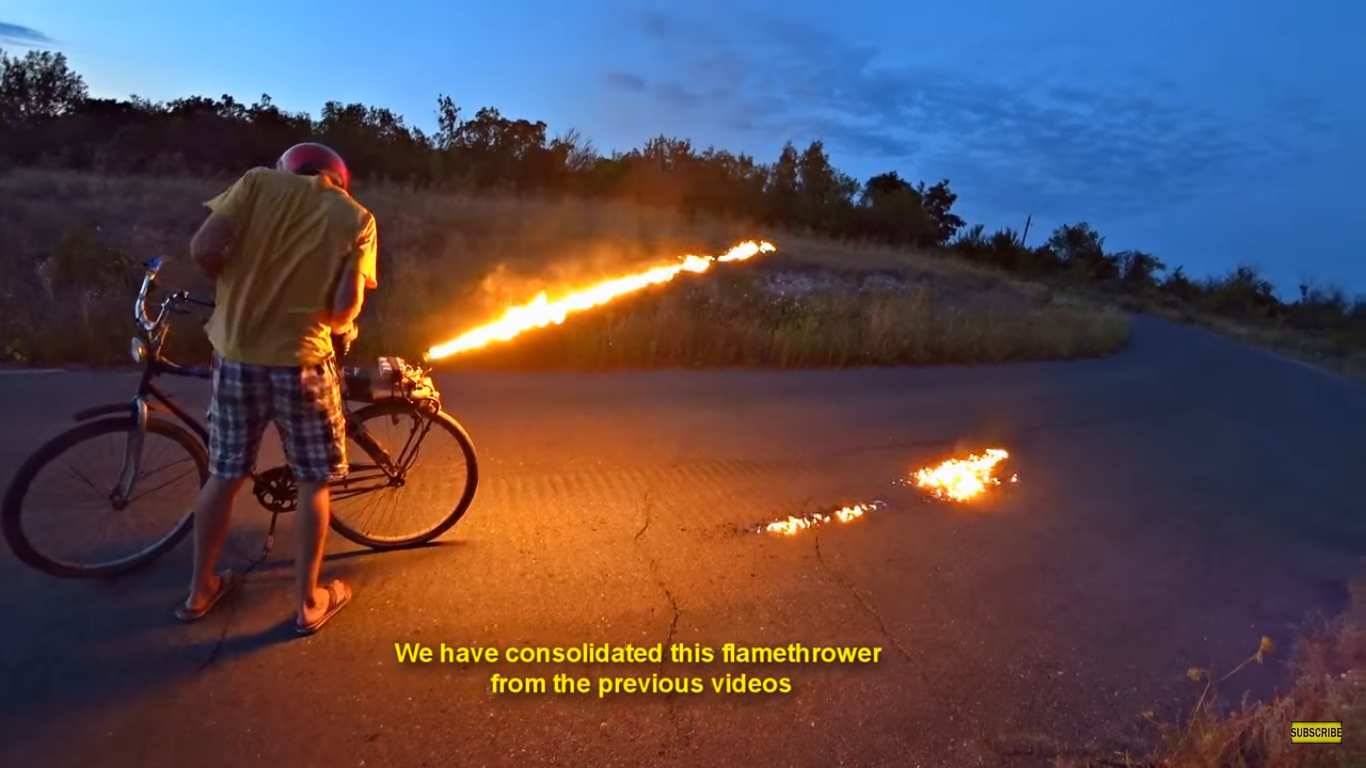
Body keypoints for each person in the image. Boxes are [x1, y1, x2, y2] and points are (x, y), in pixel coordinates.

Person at [173, 141, 379, 635]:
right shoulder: (358, 219)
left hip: (237, 354)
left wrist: (238, 284)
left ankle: (199, 592)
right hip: (302, 362)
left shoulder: (256, 183)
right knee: (314, 480)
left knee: (223, 473)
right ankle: (308, 604)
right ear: (337, 178)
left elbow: (204, 248)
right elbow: (344, 310)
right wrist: (332, 318)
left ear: (288, 167)